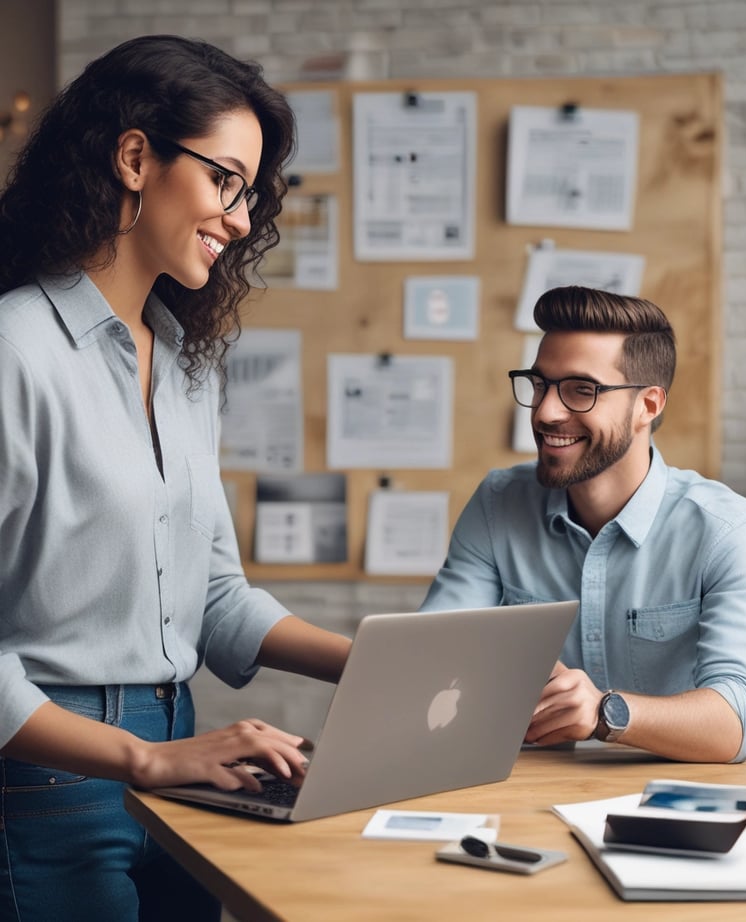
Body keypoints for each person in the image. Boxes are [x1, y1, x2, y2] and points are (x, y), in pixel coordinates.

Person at [0, 35, 351, 922]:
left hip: (185, 756)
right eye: (225, 181)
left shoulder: (188, 365)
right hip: (46, 775)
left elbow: (215, 597)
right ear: (134, 158)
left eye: (249, 194)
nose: (239, 220)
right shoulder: (14, 352)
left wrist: (376, 667)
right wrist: (142, 758)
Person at [420, 286, 746, 765]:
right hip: (527, 786)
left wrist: (605, 713)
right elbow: (432, 655)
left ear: (648, 405)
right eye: (540, 384)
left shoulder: (732, 532)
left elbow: (739, 720)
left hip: (670, 794)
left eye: (582, 390)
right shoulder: (499, 502)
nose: (545, 411)